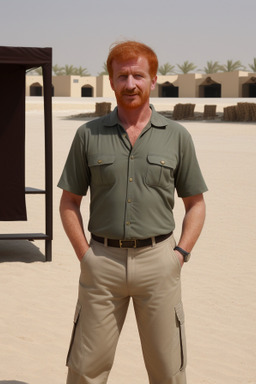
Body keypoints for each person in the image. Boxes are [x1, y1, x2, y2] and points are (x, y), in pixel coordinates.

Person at [58, 40, 207, 384]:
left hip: (159, 263)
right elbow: (69, 202)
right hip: (102, 265)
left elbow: (195, 204)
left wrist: (180, 254)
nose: (130, 84)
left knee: (168, 370)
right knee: (84, 369)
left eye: (138, 75)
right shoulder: (88, 135)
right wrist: (86, 255)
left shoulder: (177, 136)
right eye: (122, 76)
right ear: (110, 81)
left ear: (153, 80)